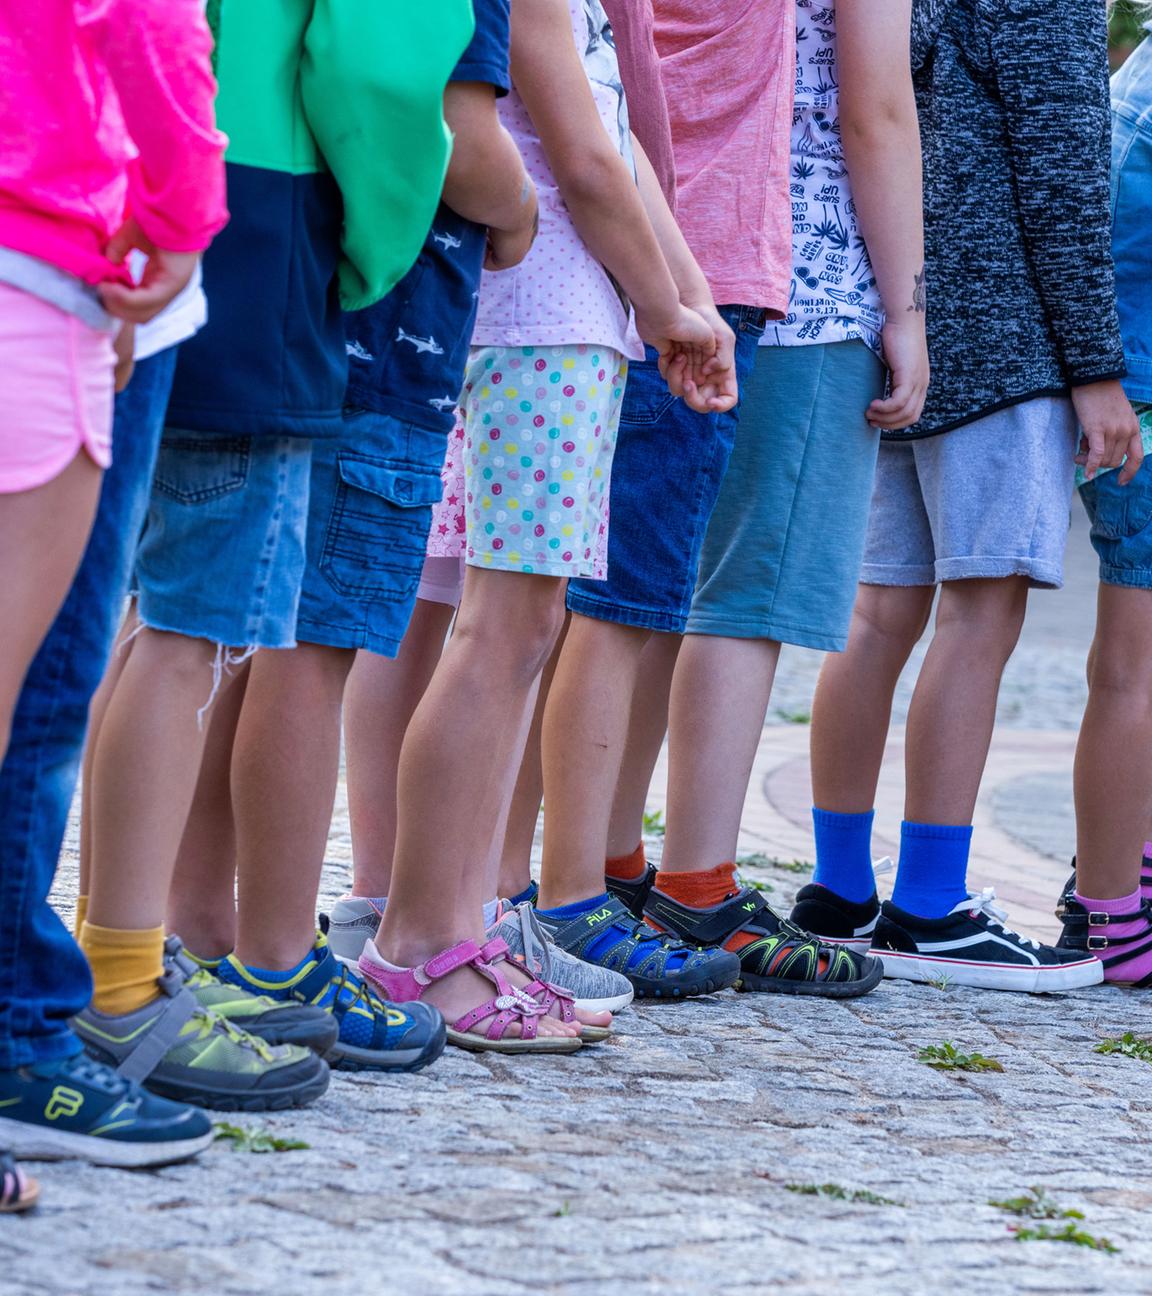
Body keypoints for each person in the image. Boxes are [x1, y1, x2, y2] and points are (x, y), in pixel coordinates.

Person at [74, 0, 473, 1106]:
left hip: (128, 187)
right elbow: (382, 69)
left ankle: (113, 955)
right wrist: (377, 246)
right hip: (258, 216)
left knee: (148, 614)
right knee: (189, 628)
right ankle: (121, 979)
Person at [165, 0, 549, 1046]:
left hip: (242, 258)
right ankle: (281, 964)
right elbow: (388, 81)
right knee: (308, 641)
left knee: (210, 622)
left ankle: (188, 935)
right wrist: (506, 211)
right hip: (367, 313)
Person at [354, 0, 734, 1051]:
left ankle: (460, 930)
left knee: (520, 633)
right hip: (539, 321)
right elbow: (585, 161)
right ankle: (419, 944)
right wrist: (668, 311)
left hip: (569, 318)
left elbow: (616, 147)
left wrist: (686, 298)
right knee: (503, 632)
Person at [530, 0, 925, 1001]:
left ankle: (608, 870)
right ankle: (677, 883)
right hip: (783, 271)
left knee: (638, 597)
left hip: (641, 249)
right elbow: (874, 109)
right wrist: (911, 310)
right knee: (722, 598)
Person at [796, 0, 1138, 993]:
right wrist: (1097, 372)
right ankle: (932, 907)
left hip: (903, 320)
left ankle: (839, 889)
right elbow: (1064, 182)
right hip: (1006, 340)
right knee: (979, 616)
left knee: (878, 614)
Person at [0, 0, 228, 1169]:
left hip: (62, 245)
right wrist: (181, 216)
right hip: (52, 249)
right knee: (37, 692)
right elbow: (146, 19)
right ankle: (21, 1042)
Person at [1057, 22, 1152, 986]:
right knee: (1134, 671)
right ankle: (1114, 918)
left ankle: (1120, 878)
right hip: (1140, 400)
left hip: (1129, 388)